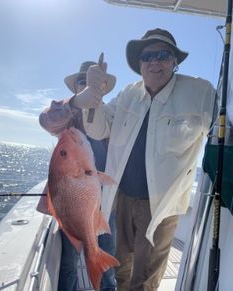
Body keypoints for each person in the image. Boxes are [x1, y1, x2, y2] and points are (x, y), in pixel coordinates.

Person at [70, 28, 217, 290]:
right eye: (148, 56)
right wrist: (94, 96)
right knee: (121, 270)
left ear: (175, 61)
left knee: (146, 278)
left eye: (163, 55)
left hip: (162, 207)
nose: (155, 62)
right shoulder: (127, 93)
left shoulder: (200, 93)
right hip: (123, 200)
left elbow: (222, 130)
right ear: (139, 64)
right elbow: (99, 128)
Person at [37, 61, 117, 291]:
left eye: (95, 82)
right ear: (75, 88)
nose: (88, 85)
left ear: (104, 87)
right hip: (73, 201)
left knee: (108, 256)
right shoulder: (67, 116)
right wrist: (75, 103)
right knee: (69, 263)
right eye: (83, 82)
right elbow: (45, 120)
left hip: (106, 201)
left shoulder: (110, 114)